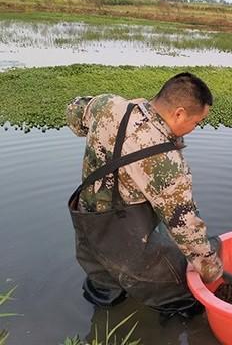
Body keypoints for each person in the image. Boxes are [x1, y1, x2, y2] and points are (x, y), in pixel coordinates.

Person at [66, 72, 223, 319]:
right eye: (197, 122)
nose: (195, 128)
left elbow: (75, 112)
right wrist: (213, 272)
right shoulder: (166, 163)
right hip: (124, 231)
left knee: (103, 281)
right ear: (179, 113)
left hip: (86, 217)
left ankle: (104, 309)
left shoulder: (109, 105)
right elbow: (185, 228)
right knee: (179, 295)